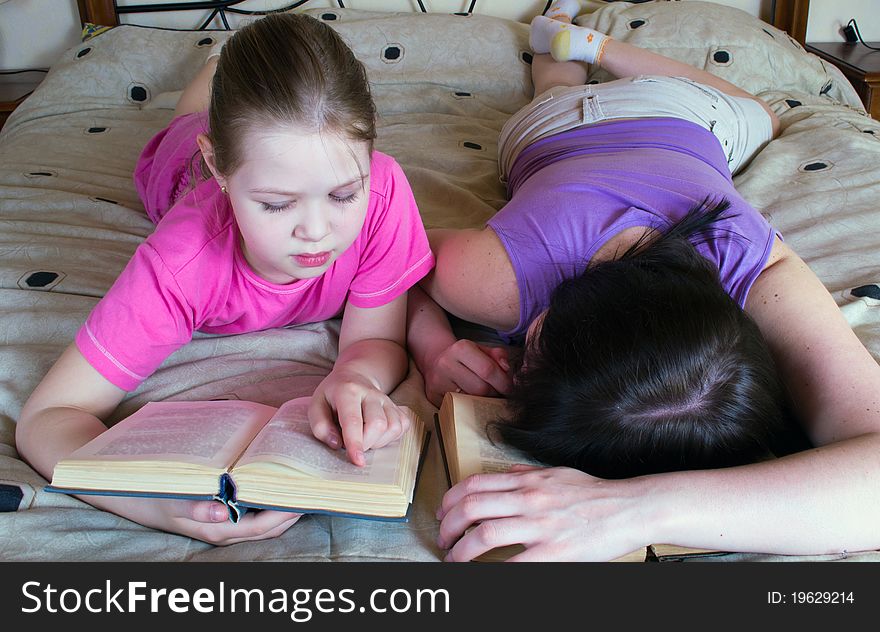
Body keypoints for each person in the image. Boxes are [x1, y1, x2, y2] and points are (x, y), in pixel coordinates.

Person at [408, 1, 880, 561]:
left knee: (567, 87)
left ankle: (572, 50)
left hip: (638, 124)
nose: (518, 370)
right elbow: (382, 254)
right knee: (762, 114)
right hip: (616, 123)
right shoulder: (502, 277)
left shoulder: (758, 274)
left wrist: (635, 507)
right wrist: (431, 345)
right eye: (528, 363)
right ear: (542, 318)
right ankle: (585, 47)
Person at [16, 13, 434, 545]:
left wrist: (356, 377)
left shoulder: (385, 193)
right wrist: (155, 506)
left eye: (343, 194)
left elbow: (376, 338)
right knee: (188, 118)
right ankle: (212, 68)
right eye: (275, 204)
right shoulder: (182, 260)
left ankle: (220, 75)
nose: (317, 232)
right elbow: (47, 418)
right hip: (179, 166)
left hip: (230, 147)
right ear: (221, 169)